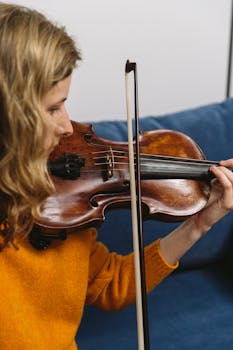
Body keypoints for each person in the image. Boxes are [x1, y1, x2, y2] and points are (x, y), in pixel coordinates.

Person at [1, 3, 233, 350]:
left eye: (65, 104)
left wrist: (199, 225)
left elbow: (110, 283)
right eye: (52, 108)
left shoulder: (65, 202)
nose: (67, 126)